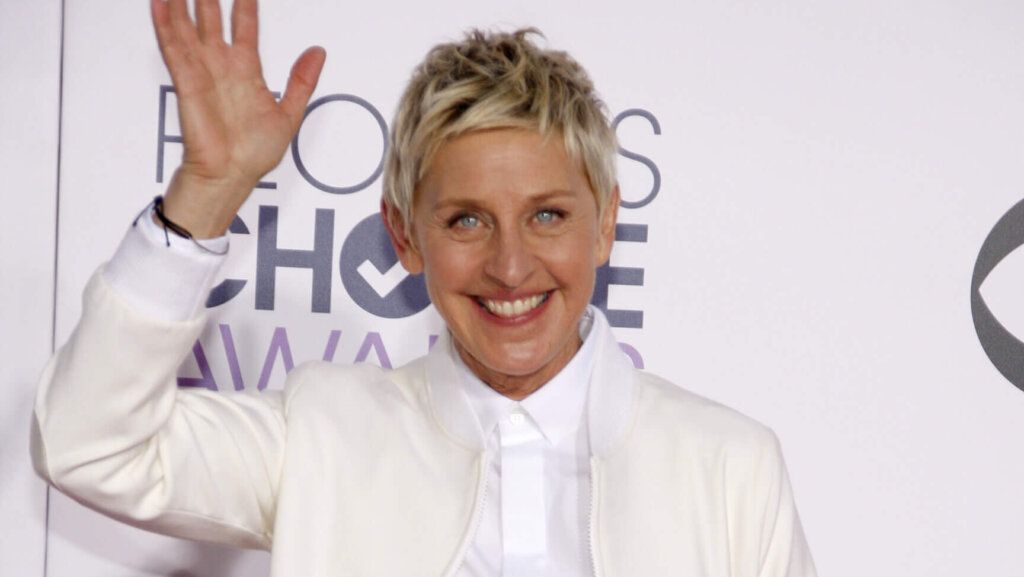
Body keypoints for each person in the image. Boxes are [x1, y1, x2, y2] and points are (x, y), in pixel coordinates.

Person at [31, 0, 817, 575]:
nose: (511, 267)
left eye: (546, 215)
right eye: (467, 221)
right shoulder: (322, 434)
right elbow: (88, 445)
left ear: (605, 224)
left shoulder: (730, 468)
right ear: (405, 236)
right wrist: (205, 191)